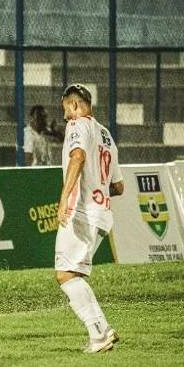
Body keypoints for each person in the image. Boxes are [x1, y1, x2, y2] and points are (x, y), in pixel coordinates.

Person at [55, 84, 124, 353]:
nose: (65, 115)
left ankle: (98, 332)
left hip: (81, 211)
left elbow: (78, 156)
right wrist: (97, 188)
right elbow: (118, 187)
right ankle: (102, 329)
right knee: (74, 274)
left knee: (66, 274)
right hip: (102, 214)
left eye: (65, 109)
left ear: (73, 105)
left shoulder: (77, 125)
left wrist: (64, 198)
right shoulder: (106, 135)